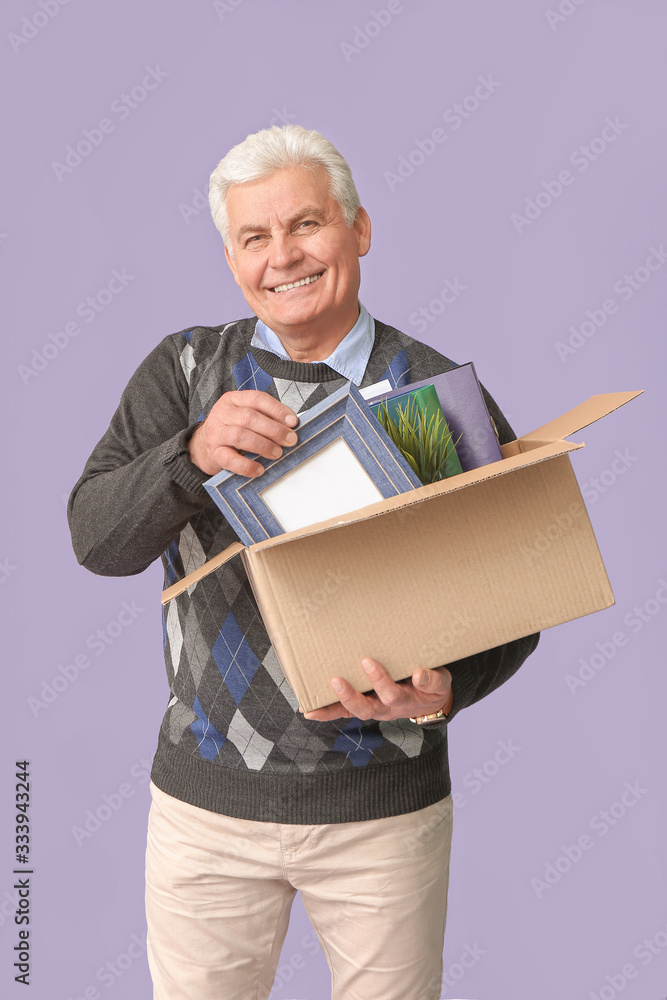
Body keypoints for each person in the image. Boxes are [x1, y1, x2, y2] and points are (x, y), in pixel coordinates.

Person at [68, 124, 539, 1000]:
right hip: (205, 811)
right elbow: (96, 541)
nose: (282, 256)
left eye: (306, 225)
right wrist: (188, 456)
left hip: (382, 814)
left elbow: (516, 597)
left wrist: (447, 689)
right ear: (232, 259)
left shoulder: (431, 390)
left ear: (359, 229)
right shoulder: (187, 370)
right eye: (254, 237)